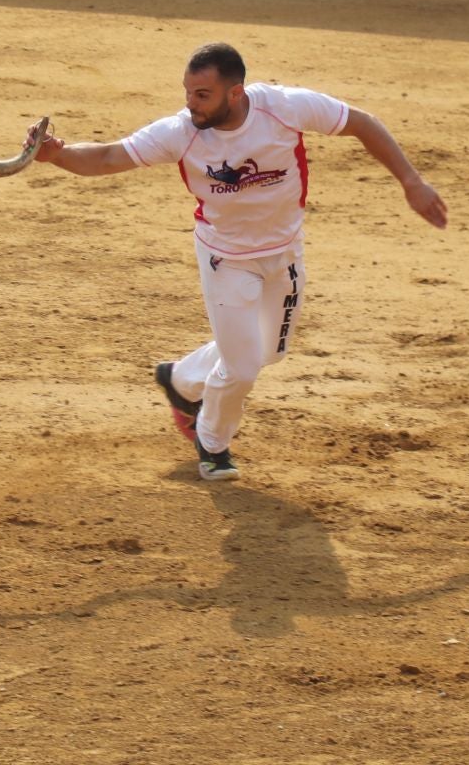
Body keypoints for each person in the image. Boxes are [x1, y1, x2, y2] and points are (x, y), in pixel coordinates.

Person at [32, 43, 448, 482]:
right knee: (242, 367)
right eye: (188, 92)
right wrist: (57, 154)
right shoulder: (181, 132)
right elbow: (107, 157)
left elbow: (361, 123)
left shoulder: (283, 107)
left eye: (202, 95)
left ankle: (181, 379)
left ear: (236, 93)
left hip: (285, 252)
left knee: (268, 353)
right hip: (225, 259)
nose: (191, 104)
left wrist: (411, 181)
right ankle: (212, 445)